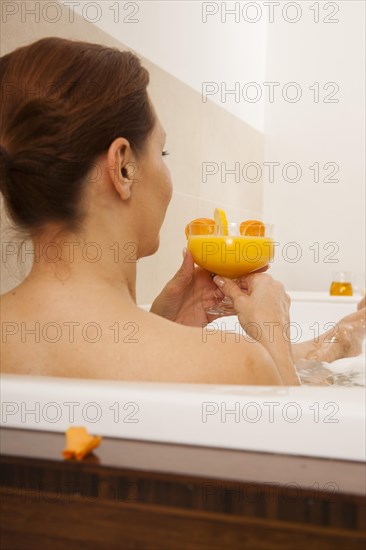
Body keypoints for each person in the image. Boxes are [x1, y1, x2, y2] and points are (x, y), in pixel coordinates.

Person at [0, 38, 364, 386]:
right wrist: (273, 334)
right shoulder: (233, 364)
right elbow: (300, 442)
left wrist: (160, 324)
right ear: (124, 167)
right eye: (163, 153)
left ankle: (343, 337)